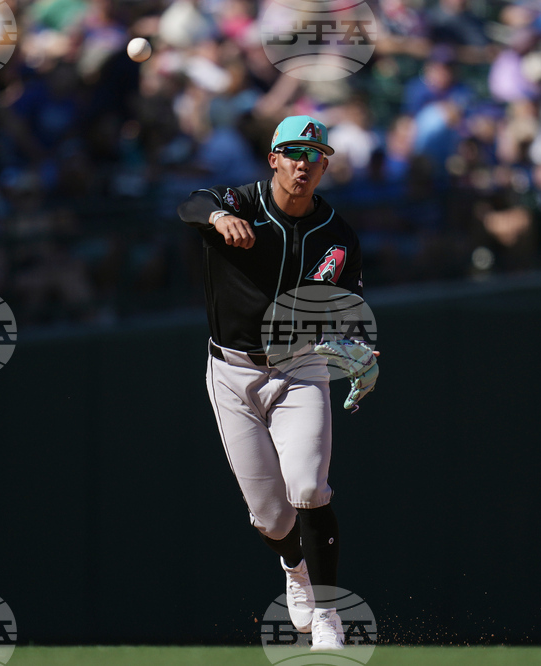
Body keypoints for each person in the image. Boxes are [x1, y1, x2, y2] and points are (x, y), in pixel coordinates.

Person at [177, 115, 377, 651]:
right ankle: (295, 567)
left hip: (299, 367)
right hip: (233, 370)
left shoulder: (337, 233)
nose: (304, 163)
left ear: (324, 164)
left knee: (309, 488)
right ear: (274, 159)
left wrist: (360, 346)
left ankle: (330, 612)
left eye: (314, 155)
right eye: (292, 153)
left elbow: (350, 307)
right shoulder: (239, 201)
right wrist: (218, 217)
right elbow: (189, 203)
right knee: (270, 518)